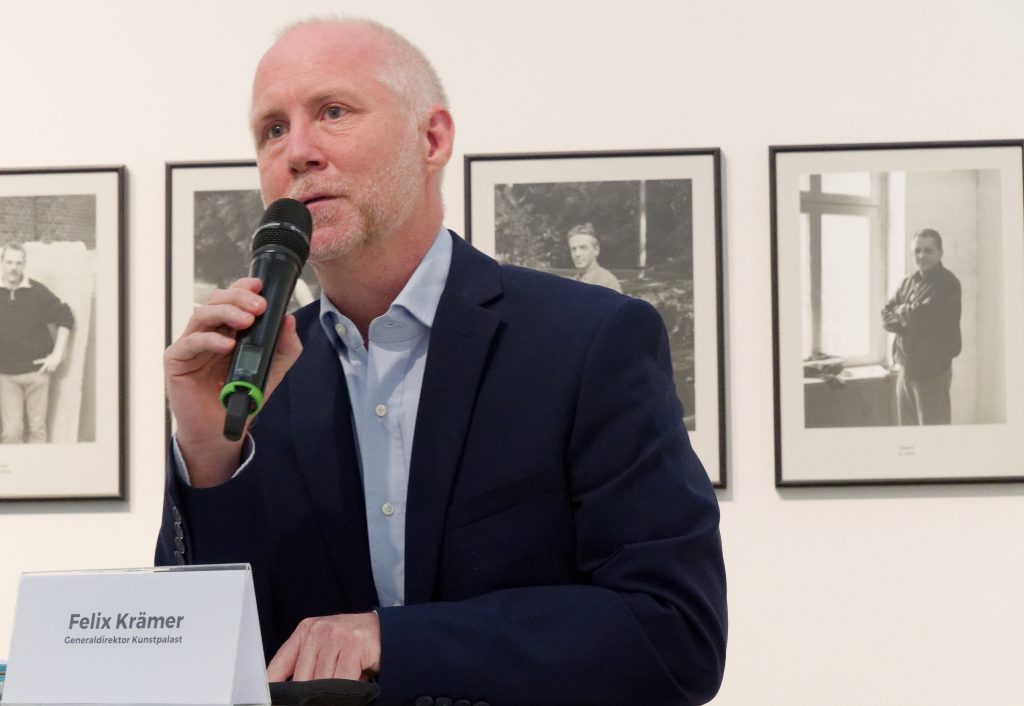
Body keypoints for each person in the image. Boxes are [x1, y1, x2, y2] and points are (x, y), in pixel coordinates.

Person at [156, 18, 726, 706]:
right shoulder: (252, 377)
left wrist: (390, 640)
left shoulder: (590, 341)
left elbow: (674, 633)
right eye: (272, 129)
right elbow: (198, 667)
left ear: (432, 139)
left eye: (333, 112)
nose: (297, 151)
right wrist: (207, 454)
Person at [881, 228, 962, 425]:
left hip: (932, 372)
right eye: (917, 251)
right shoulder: (907, 282)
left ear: (940, 253)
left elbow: (926, 320)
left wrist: (902, 314)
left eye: (928, 250)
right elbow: (885, 316)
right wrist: (908, 314)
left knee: (933, 436)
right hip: (905, 369)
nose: (921, 256)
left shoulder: (948, 283)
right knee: (908, 434)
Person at [0, 242, 74, 443]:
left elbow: (66, 316)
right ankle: (14, 474)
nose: (13, 267)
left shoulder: (37, 292)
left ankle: (37, 473)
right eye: (9, 262)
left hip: (37, 374)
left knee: (37, 430)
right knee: (11, 432)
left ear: (24, 265)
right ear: (2, 263)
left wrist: (58, 354)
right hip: (6, 376)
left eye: (18, 263)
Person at [566, 223, 623, 292]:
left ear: (596, 250)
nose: (577, 254)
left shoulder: (608, 283)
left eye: (583, 248)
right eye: (573, 249)